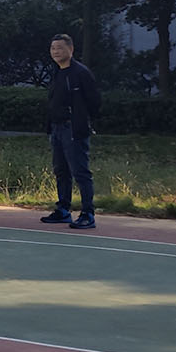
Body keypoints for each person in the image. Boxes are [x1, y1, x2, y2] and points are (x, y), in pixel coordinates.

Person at [41, 33, 102, 229]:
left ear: (71, 49)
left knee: (80, 172)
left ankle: (87, 214)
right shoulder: (56, 72)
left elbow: (94, 102)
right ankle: (63, 210)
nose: (56, 52)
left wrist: (81, 121)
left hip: (73, 129)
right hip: (56, 129)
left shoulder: (81, 73)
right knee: (61, 171)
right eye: (53, 48)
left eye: (60, 48)